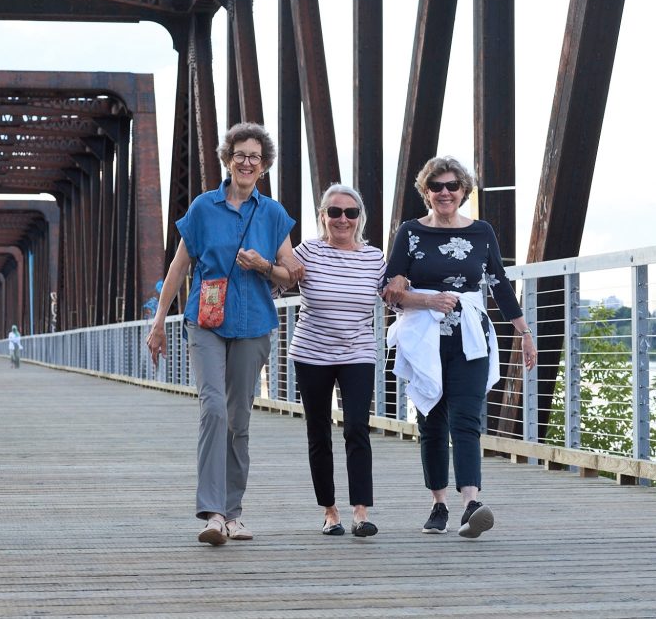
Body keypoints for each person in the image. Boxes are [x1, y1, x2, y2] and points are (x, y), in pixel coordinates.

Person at [146, 122, 303, 546]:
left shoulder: (272, 214)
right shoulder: (202, 207)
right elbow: (179, 267)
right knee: (213, 408)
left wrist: (264, 267)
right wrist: (159, 320)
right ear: (227, 160)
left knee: (239, 419)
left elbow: (292, 275)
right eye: (240, 155)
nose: (247, 162)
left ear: (264, 165)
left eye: (255, 156)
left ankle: (234, 513)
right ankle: (212, 513)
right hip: (205, 319)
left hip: (253, 323)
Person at [381, 156, 537, 538]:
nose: (445, 193)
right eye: (437, 187)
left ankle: (471, 503)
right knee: (432, 420)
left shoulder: (481, 232)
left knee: (467, 419)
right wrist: (428, 301)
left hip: (470, 335)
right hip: (423, 337)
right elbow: (390, 292)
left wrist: (524, 332)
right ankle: (439, 504)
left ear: (464, 191)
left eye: (452, 186)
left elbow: (498, 282)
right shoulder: (410, 233)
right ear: (426, 192)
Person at [287, 184, 385, 538]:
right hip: (311, 352)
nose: (342, 219)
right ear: (322, 217)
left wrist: (435, 299)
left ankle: (361, 511)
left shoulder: (374, 257)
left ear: (359, 218)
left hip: (357, 352)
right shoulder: (307, 252)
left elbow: (396, 292)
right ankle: (330, 512)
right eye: (334, 212)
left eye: (350, 212)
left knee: (357, 426)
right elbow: (280, 277)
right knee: (319, 430)